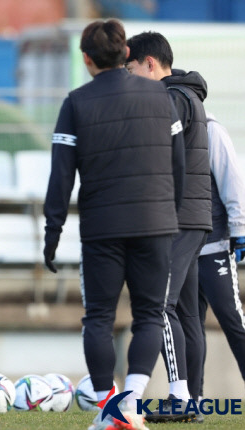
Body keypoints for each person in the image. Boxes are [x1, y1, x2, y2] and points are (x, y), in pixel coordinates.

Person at [43, 19, 186, 430]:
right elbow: (179, 164)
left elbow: (61, 177)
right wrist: (169, 213)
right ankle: (129, 404)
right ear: (125, 54)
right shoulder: (163, 96)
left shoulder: (76, 102)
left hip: (103, 227)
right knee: (150, 315)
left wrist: (52, 234)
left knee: (100, 318)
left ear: (86, 59)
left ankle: (113, 409)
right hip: (156, 223)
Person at [126, 31, 212, 422]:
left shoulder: (171, 99)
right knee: (187, 314)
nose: (128, 79)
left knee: (158, 306)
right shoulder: (187, 96)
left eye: (130, 70)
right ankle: (192, 400)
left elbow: (155, 156)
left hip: (177, 218)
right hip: (193, 217)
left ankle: (180, 398)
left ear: (149, 64)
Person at [197, 112, 245, 398]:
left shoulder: (210, 129)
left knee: (233, 320)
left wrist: (239, 228)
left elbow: (231, 178)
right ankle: (191, 400)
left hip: (214, 245)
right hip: (179, 250)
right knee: (190, 327)